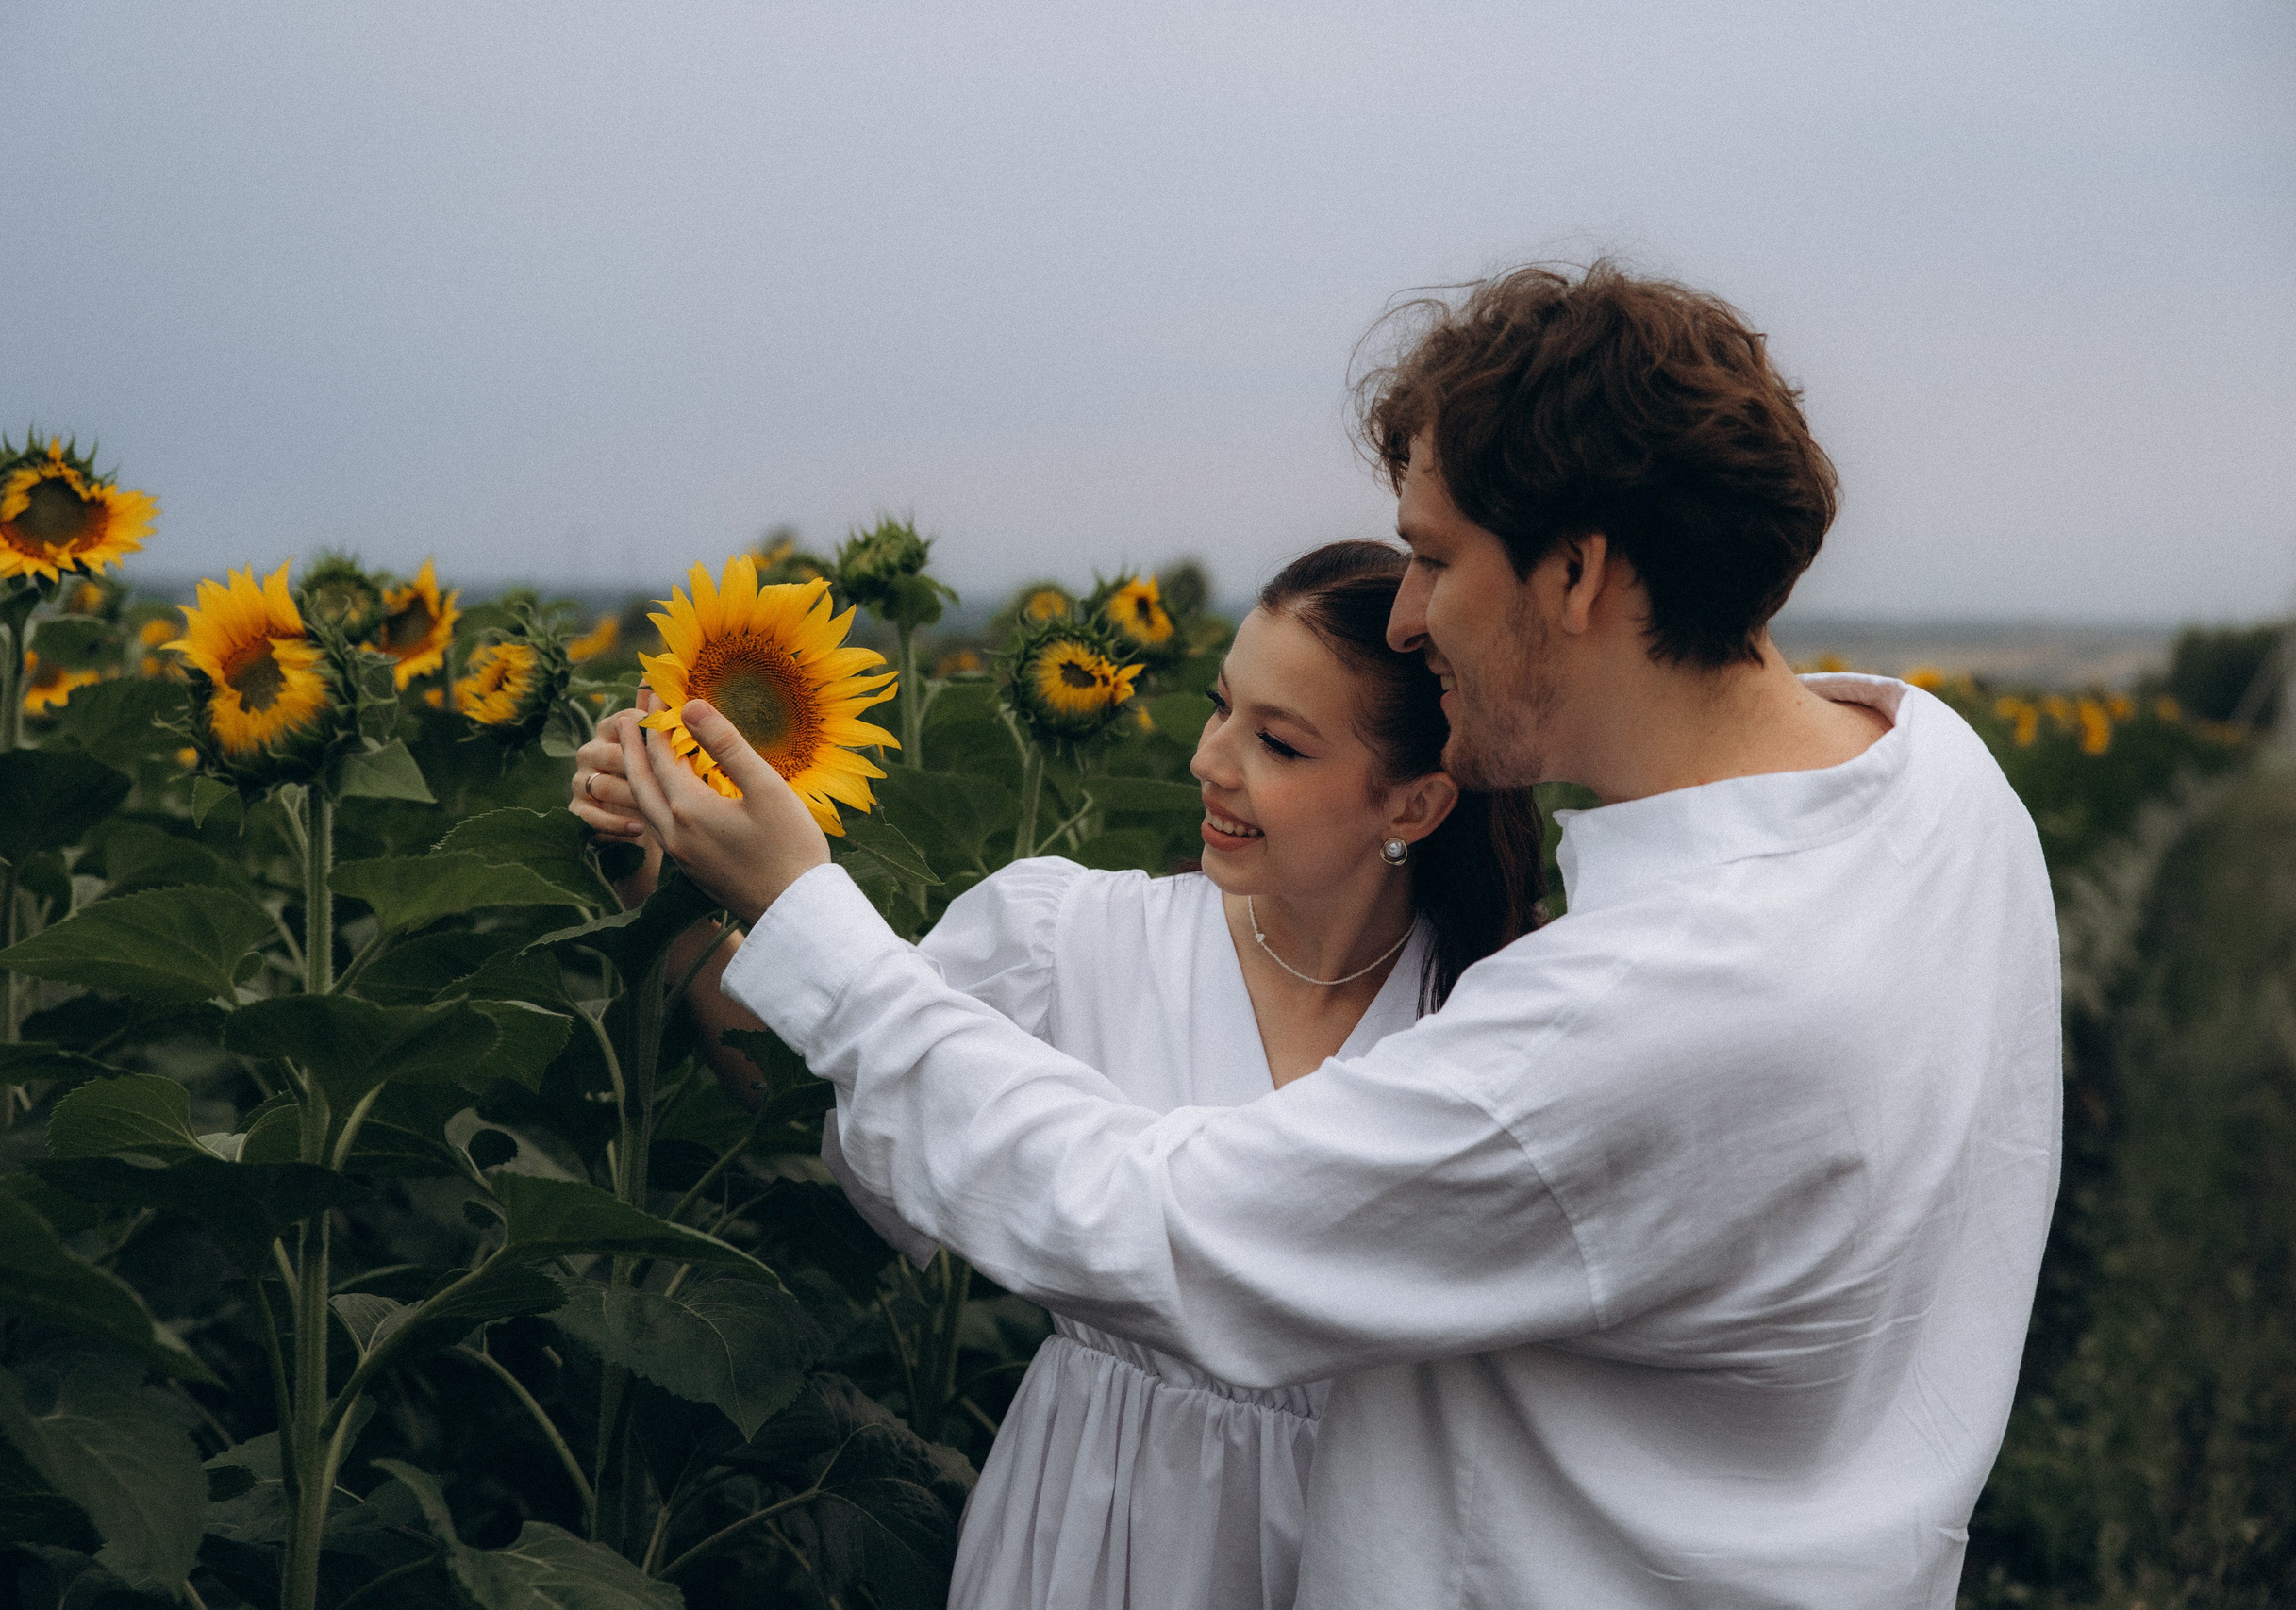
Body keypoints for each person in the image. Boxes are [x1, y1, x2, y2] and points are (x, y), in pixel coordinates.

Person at [606, 262, 2063, 1606]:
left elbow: (1167, 1231)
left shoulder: (1647, 1008)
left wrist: (815, 925)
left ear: (1577, 573)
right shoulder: (1934, 783)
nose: (1411, 614)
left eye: (1435, 557)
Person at [571, 541, 1545, 1610]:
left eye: (1277, 742)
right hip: (1079, 1521)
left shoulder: (1499, 1028)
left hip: (1355, 1550)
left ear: (1412, 806)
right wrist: (653, 884)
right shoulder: (1071, 939)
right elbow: (821, 1063)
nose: (1209, 761)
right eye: (1221, 708)